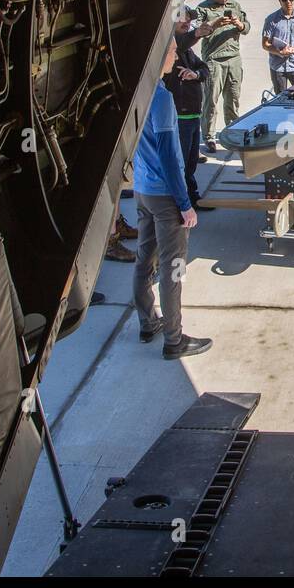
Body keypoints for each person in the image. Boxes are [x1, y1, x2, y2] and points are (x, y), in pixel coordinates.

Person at [132, 35, 212, 359]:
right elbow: (167, 153)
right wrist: (184, 204)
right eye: (172, 51)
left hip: (142, 190)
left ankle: (148, 322)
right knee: (173, 266)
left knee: (143, 260)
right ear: (158, 57)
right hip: (165, 195)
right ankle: (174, 339)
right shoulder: (162, 98)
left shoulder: (137, 93)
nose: (176, 55)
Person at [194, 0, 250, 153]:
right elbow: (198, 30)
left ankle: (232, 131)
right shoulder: (203, 8)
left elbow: (247, 27)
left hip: (233, 58)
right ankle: (209, 136)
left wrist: (239, 24)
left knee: (233, 99)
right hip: (214, 59)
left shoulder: (235, 6)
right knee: (211, 100)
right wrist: (216, 23)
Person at [164, 6, 210, 211]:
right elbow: (180, 42)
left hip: (193, 115)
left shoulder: (187, 51)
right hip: (180, 117)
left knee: (190, 163)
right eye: (182, 19)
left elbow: (204, 69)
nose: (187, 23)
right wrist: (197, 33)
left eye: (189, 20)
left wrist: (195, 74)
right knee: (181, 163)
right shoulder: (171, 46)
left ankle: (192, 197)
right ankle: (180, 204)